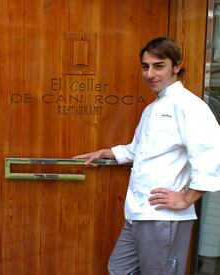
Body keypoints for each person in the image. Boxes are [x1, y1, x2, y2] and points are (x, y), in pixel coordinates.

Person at [73, 37, 220, 275]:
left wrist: (186, 198)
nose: (150, 73)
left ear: (177, 65)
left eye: (158, 65)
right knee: (119, 268)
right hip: (137, 212)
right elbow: (139, 149)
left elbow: (212, 153)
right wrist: (107, 153)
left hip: (163, 216)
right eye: (145, 66)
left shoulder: (189, 105)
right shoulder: (152, 108)